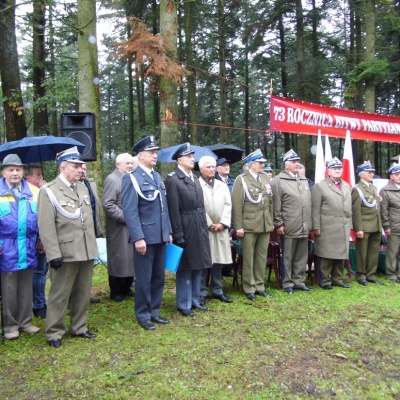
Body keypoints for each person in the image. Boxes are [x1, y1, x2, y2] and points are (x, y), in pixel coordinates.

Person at [37, 147, 99, 348]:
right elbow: (46, 226)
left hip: (86, 249)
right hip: (65, 252)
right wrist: (53, 254)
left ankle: (79, 327)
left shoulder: (81, 188)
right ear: (63, 168)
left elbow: (88, 220)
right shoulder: (49, 191)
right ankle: (54, 331)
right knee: (59, 293)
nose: (80, 169)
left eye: (80, 165)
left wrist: (93, 246)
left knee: (83, 291)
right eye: (75, 166)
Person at [121, 136, 172, 330]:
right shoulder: (131, 178)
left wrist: (167, 231)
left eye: (156, 152)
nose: (155, 155)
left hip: (159, 234)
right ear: (140, 155)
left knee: (159, 276)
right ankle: (143, 314)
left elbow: (162, 207)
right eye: (151, 152)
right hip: (145, 237)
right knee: (144, 278)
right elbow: (130, 211)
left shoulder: (156, 176)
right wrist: (138, 237)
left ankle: (154, 311)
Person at [164, 143, 212, 317]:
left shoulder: (195, 178)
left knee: (197, 264)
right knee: (185, 267)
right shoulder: (173, 179)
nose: (192, 159)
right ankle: (183, 303)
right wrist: (177, 233)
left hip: (199, 225)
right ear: (179, 160)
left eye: (193, 156)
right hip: (185, 226)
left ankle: (194, 300)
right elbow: (173, 209)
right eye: (189, 157)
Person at [0, 154, 40, 340]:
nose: (15, 173)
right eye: (11, 170)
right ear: (3, 172)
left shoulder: (34, 191)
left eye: (18, 169)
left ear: (23, 172)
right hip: (5, 247)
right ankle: (10, 326)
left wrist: (41, 240)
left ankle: (26, 322)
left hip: (29, 245)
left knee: (26, 286)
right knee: (9, 288)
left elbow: (41, 218)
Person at [231, 149, 274, 300]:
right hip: (248, 225)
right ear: (250, 164)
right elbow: (236, 205)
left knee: (261, 257)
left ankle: (259, 285)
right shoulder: (241, 179)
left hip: (264, 224)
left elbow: (270, 202)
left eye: (262, 162)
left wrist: (271, 221)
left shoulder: (265, 178)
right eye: (259, 163)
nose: (262, 165)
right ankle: (249, 287)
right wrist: (239, 227)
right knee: (248, 258)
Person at [271, 149, 312, 294]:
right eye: (293, 162)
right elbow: (276, 204)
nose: (297, 164)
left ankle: (299, 281)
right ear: (286, 164)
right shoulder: (278, 180)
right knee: (288, 256)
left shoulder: (303, 179)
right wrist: (278, 223)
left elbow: (307, 202)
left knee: (302, 255)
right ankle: (287, 282)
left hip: (304, 224)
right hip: (288, 224)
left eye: (298, 162)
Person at [311, 157, 352, 290]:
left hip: (343, 225)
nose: (337, 171)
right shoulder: (320, 186)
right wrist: (316, 226)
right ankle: (326, 281)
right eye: (334, 168)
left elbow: (349, 207)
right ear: (328, 171)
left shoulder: (346, 185)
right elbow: (315, 208)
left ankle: (337, 279)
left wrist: (350, 225)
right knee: (327, 254)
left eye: (339, 168)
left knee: (341, 254)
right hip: (327, 226)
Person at [198, 156, 233, 305]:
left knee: (218, 261)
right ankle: (201, 292)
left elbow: (228, 205)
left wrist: (223, 223)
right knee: (204, 262)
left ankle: (218, 290)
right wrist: (209, 223)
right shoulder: (197, 185)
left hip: (220, 229)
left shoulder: (222, 185)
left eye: (213, 167)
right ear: (201, 169)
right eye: (208, 167)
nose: (211, 169)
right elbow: (198, 206)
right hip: (205, 229)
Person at [102, 153, 136, 302]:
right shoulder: (112, 179)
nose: (129, 166)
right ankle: (116, 291)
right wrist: (125, 218)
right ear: (117, 164)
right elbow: (108, 204)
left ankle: (127, 288)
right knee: (119, 258)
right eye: (126, 163)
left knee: (131, 258)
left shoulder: (131, 178)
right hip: (118, 227)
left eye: (131, 163)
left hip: (132, 225)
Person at [351, 161, 384, 286]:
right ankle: (361, 275)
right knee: (362, 252)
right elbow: (356, 211)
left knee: (373, 252)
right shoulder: (357, 189)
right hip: (364, 226)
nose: (372, 174)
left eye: (372, 172)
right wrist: (358, 228)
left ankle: (371, 274)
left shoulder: (374, 188)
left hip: (376, 224)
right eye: (369, 172)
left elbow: (377, 207)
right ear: (361, 174)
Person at [26, 163, 48, 318]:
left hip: (43, 236)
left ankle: (40, 301)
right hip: (34, 237)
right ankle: (38, 304)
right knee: (38, 271)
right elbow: (38, 217)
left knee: (42, 270)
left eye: (41, 174)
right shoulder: (31, 191)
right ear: (28, 176)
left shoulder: (41, 190)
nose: (41, 177)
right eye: (38, 174)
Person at [79, 163, 103, 304]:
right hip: (78, 233)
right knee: (76, 267)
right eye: (79, 168)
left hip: (92, 230)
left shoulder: (90, 184)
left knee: (88, 266)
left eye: (84, 168)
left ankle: (85, 295)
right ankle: (72, 297)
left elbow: (96, 207)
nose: (82, 170)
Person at [380, 162, 400, 282]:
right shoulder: (386, 190)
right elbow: (383, 210)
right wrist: (386, 227)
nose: (399, 176)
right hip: (394, 226)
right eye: (396, 174)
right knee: (392, 252)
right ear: (391, 176)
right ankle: (391, 274)